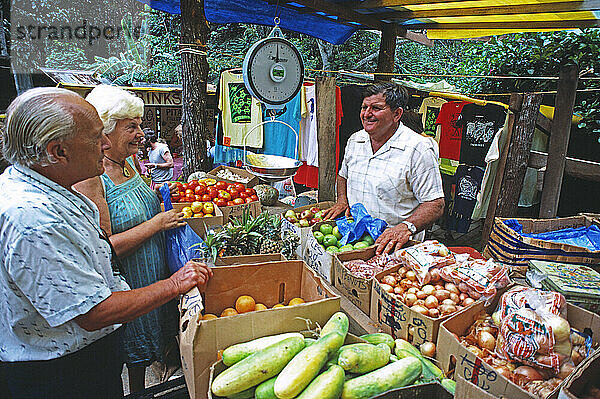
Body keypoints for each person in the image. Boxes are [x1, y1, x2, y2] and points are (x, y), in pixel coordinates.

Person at [0, 87, 212, 399]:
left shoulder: (52, 189)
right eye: (96, 137)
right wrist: (174, 284)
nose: (104, 145)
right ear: (57, 152)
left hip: (80, 360)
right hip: (59, 375)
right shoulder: (35, 220)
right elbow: (93, 312)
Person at [72, 85, 186, 393]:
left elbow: (137, 200)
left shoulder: (128, 162)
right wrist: (157, 223)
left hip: (153, 269)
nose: (141, 133)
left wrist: (161, 196)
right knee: (133, 351)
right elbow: (106, 247)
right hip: (130, 280)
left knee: (147, 352)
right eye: (131, 126)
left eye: (140, 124)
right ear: (107, 130)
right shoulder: (92, 177)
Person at [323, 82, 445, 254]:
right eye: (364, 107)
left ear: (397, 114)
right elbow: (343, 175)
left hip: (395, 246)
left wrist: (405, 227)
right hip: (354, 238)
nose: (367, 114)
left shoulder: (418, 149)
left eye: (376, 108)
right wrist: (342, 200)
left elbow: (435, 203)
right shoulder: (355, 140)